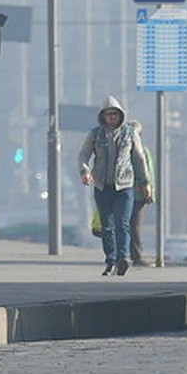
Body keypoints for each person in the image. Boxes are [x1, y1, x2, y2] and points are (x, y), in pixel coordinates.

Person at [78, 97, 150, 276]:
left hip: (124, 186)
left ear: (121, 115)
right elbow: (83, 155)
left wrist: (145, 182)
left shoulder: (129, 133)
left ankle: (122, 258)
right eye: (108, 114)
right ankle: (110, 261)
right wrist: (85, 171)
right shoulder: (95, 134)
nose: (112, 117)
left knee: (123, 223)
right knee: (107, 226)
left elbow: (139, 159)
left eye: (115, 114)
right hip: (103, 186)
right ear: (102, 116)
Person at [127, 120, 155, 266]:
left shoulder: (142, 150)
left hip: (139, 193)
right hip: (135, 192)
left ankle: (130, 255)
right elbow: (145, 174)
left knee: (132, 225)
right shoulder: (137, 151)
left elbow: (149, 174)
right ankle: (136, 257)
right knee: (134, 226)